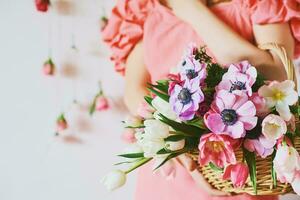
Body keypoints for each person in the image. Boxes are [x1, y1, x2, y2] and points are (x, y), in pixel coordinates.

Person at [102, 0, 300, 199]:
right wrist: (178, 148)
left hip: (234, 172)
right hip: (170, 172)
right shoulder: (143, 7)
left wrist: (193, 10)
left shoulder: (260, 3)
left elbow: (276, 74)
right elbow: (134, 90)